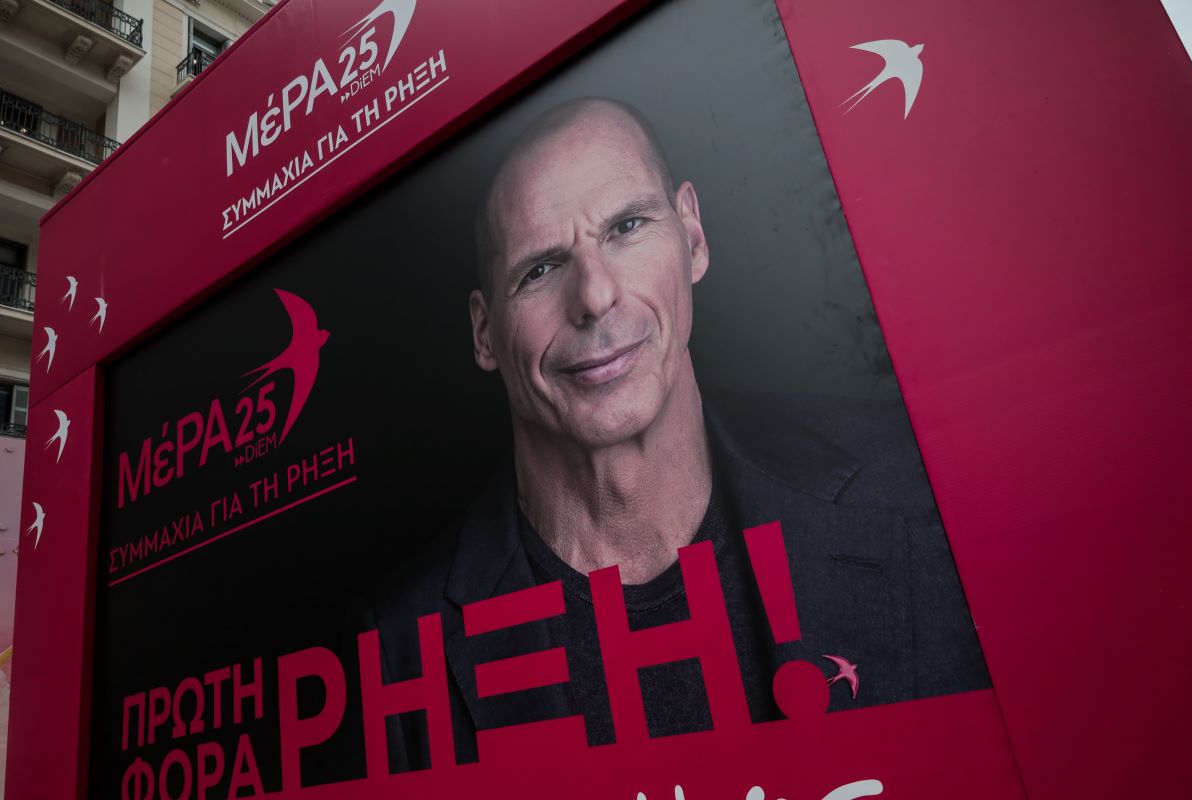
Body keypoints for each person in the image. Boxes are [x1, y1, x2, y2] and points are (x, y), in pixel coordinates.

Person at [350, 97, 989, 770]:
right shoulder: (395, 647)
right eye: (540, 268)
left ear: (693, 236)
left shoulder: (908, 482)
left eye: (627, 227)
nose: (595, 295)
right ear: (485, 334)